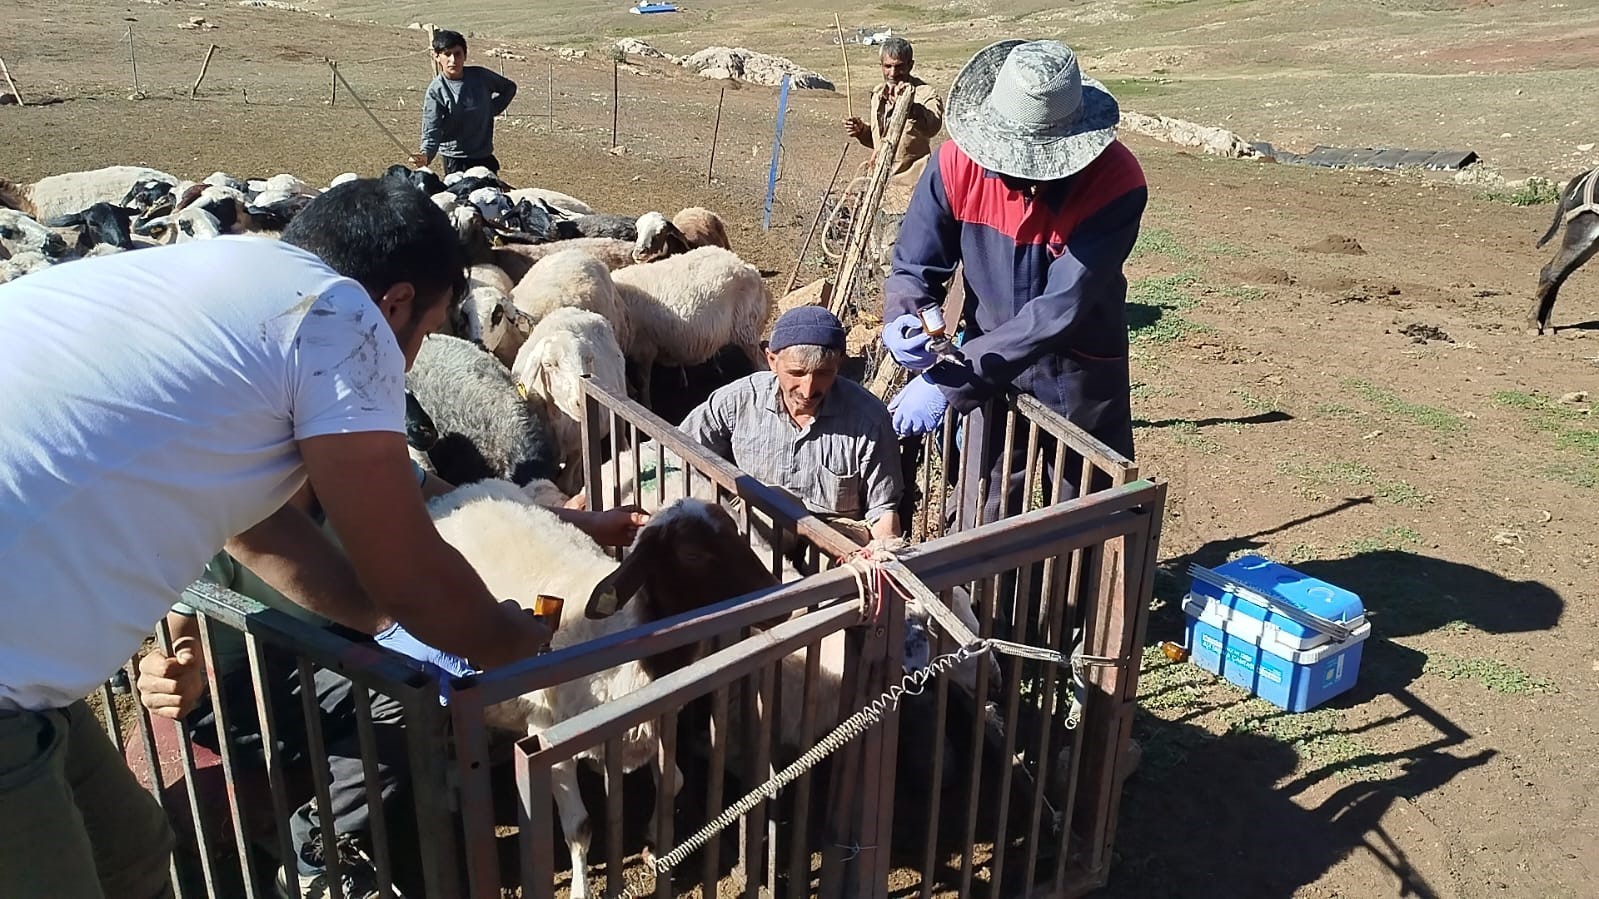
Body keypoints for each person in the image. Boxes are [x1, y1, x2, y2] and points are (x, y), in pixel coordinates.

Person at [0, 176, 552, 899]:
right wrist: (510, 643)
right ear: (394, 304)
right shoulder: (342, 317)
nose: (410, 362)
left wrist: (381, 620)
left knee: (131, 856)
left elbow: (258, 532)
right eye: (424, 333)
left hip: (30, 671)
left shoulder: (222, 285)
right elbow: (412, 573)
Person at [136, 465, 645, 898]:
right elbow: (184, 637)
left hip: (330, 642)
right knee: (399, 694)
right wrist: (178, 670)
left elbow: (463, 497)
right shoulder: (223, 494)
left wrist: (587, 523)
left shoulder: (354, 455)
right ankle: (316, 853)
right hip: (242, 680)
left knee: (422, 678)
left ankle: (401, 825)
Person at [878, 39, 1148, 528]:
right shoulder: (955, 165)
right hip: (987, 359)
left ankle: (1076, 603)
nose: (1019, 176)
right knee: (985, 501)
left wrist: (950, 379)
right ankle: (976, 604)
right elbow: (915, 265)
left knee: (1084, 505)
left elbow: (1061, 307)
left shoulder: (1114, 181)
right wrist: (905, 317)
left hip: (1078, 370)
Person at [677, 306, 905, 546]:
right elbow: (678, 450)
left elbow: (883, 510)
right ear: (772, 360)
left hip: (832, 535)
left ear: (840, 363)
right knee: (765, 508)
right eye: (796, 373)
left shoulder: (868, 419)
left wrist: (883, 554)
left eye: (823, 373)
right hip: (754, 524)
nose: (808, 390)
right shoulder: (738, 400)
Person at [410, 29, 517, 175]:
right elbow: (432, 129)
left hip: (484, 157)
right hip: (455, 160)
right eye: (447, 54)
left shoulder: (481, 76)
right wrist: (425, 155)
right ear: (436, 56)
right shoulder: (437, 90)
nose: (453, 60)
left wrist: (491, 109)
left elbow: (509, 88)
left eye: (457, 54)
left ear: (465, 55)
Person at [842, 37, 945, 184]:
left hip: (912, 186)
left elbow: (932, 127)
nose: (893, 73)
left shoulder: (925, 94)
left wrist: (909, 107)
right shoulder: (878, 94)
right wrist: (861, 131)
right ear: (881, 66)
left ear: (910, 65)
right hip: (879, 183)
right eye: (888, 66)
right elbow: (882, 142)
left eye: (899, 66)